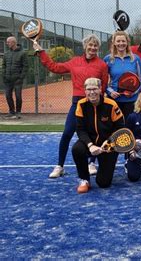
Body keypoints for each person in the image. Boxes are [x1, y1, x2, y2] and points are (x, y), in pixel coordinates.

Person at [33, 35, 108, 179]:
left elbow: (103, 86)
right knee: (67, 133)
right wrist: (41, 52)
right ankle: (60, 166)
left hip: (95, 105)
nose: (93, 48)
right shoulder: (74, 62)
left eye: (95, 46)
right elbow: (54, 67)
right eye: (90, 45)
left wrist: (99, 103)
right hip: (77, 103)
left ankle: (91, 162)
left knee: (95, 134)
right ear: (85, 46)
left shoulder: (102, 65)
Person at [72, 78, 125, 193]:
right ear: (85, 91)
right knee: (77, 149)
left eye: (95, 89)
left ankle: (105, 168)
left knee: (103, 183)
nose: (92, 92)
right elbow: (80, 129)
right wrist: (90, 145)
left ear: (100, 89)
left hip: (109, 144)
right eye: (89, 89)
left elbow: (121, 128)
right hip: (90, 142)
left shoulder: (111, 104)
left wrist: (109, 142)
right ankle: (84, 179)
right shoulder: (81, 104)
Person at [104, 31, 141, 118]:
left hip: (132, 100)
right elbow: (102, 80)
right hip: (114, 100)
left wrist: (133, 92)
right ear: (114, 43)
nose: (121, 43)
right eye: (118, 41)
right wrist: (110, 92)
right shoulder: (108, 59)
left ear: (127, 42)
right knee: (116, 127)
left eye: (123, 41)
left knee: (130, 127)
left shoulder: (135, 59)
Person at [2, 36, 28, 119]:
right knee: (8, 96)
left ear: (13, 42)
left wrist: (21, 78)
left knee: (18, 96)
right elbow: (4, 65)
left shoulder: (23, 53)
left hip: (17, 80)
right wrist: (4, 75)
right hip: (8, 79)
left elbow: (25, 67)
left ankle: (18, 112)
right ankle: (11, 111)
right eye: (7, 42)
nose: (7, 43)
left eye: (8, 42)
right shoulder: (6, 54)